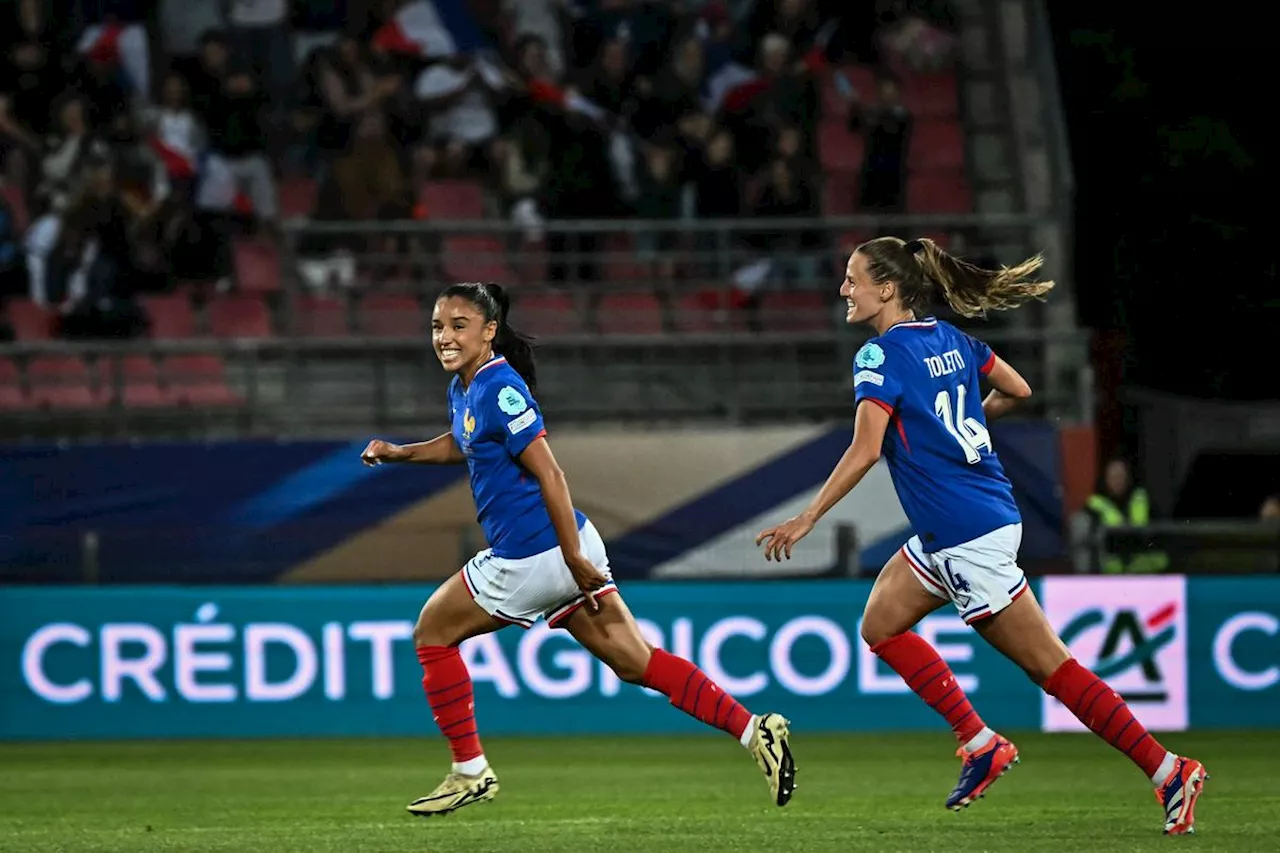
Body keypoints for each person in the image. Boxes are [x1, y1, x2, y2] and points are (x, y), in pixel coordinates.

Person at [754, 238, 1207, 836]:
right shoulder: (953, 339)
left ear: (886, 289)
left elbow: (866, 449)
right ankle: (979, 741)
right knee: (880, 624)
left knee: (1053, 670)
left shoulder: (877, 356)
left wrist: (807, 517)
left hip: (968, 534)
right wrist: (956, 423)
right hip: (961, 526)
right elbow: (1017, 389)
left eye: (852, 279)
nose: (844, 290)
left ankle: (1168, 769)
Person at [361, 282, 796, 817]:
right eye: (437, 327)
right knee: (638, 663)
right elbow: (462, 442)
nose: (444, 337)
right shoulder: (466, 387)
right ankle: (755, 731)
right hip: (566, 547)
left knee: (432, 632)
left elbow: (552, 474)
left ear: (488, 331)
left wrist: (569, 558)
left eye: (457, 326)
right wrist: (400, 452)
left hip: (535, 553)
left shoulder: (501, 389)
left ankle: (469, 770)